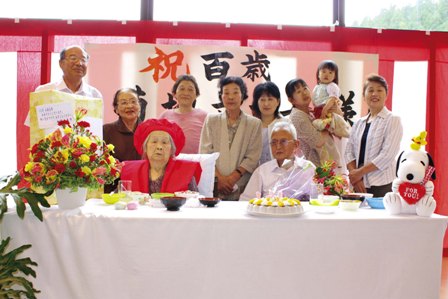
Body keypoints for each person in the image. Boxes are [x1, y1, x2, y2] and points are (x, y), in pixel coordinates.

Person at [200, 76, 262, 201]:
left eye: (235, 92)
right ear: (221, 96)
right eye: (226, 93)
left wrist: (232, 179)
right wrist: (220, 179)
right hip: (214, 185)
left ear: (242, 95)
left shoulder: (254, 123)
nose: (231, 97)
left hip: (242, 185)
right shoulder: (211, 120)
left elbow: (252, 157)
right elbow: (205, 153)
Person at [345, 74, 403, 197]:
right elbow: (348, 152)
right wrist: (356, 178)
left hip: (382, 185)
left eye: (379, 90)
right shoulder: (358, 123)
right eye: (370, 90)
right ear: (364, 96)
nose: (374, 94)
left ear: (386, 95)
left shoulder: (393, 120)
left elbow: (387, 155)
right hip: (358, 184)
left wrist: (359, 173)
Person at [25, 45, 102, 126]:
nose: (79, 63)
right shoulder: (43, 92)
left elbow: (96, 129)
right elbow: (33, 126)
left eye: (83, 60)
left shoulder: (95, 95)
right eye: (73, 58)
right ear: (61, 63)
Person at [120, 119, 202, 194]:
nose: (159, 147)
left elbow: (194, 201)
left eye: (164, 142)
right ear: (145, 147)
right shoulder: (130, 171)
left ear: (171, 150)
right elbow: (118, 199)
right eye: (154, 141)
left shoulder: (185, 172)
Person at [240, 121, 315, 201]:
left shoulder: (308, 168)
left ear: (296, 144)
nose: (278, 147)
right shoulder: (262, 171)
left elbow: (318, 199)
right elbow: (245, 202)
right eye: (274, 142)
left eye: (283, 141)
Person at [286, 78, 336, 168]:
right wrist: (327, 123)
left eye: (305, 88)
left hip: (323, 166)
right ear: (291, 100)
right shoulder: (297, 117)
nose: (304, 93)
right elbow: (318, 141)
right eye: (298, 92)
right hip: (312, 169)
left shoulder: (309, 112)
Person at [103, 87, 142, 192]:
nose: (130, 106)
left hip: (143, 188)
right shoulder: (106, 131)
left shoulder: (150, 130)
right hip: (113, 189)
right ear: (116, 109)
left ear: (139, 106)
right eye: (124, 103)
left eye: (133, 102)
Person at [159, 74, 208, 154]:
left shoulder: (205, 116)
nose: (186, 93)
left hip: (196, 163)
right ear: (174, 94)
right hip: (170, 163)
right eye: (182, 89)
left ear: (196, 95)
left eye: (190, 89)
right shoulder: (165, 116)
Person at [312, 60, 350, 138]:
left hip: (328, 110)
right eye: (324, 71)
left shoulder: (332, 86)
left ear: (335, 76)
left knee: (330, 128)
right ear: (318, 74)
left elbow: (332, 99)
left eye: (330, 72)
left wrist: (324, 111)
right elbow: (314, 100)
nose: (327, 75)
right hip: (319, 111)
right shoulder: (317, 87)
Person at [250, 81, 285, 165]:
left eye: (270, 99)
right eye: (262, 100)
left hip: (282, 172)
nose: (266, 104)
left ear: (278, 102)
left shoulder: (285, 124)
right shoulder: (251, 125)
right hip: (257, 173)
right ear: (256, 102)